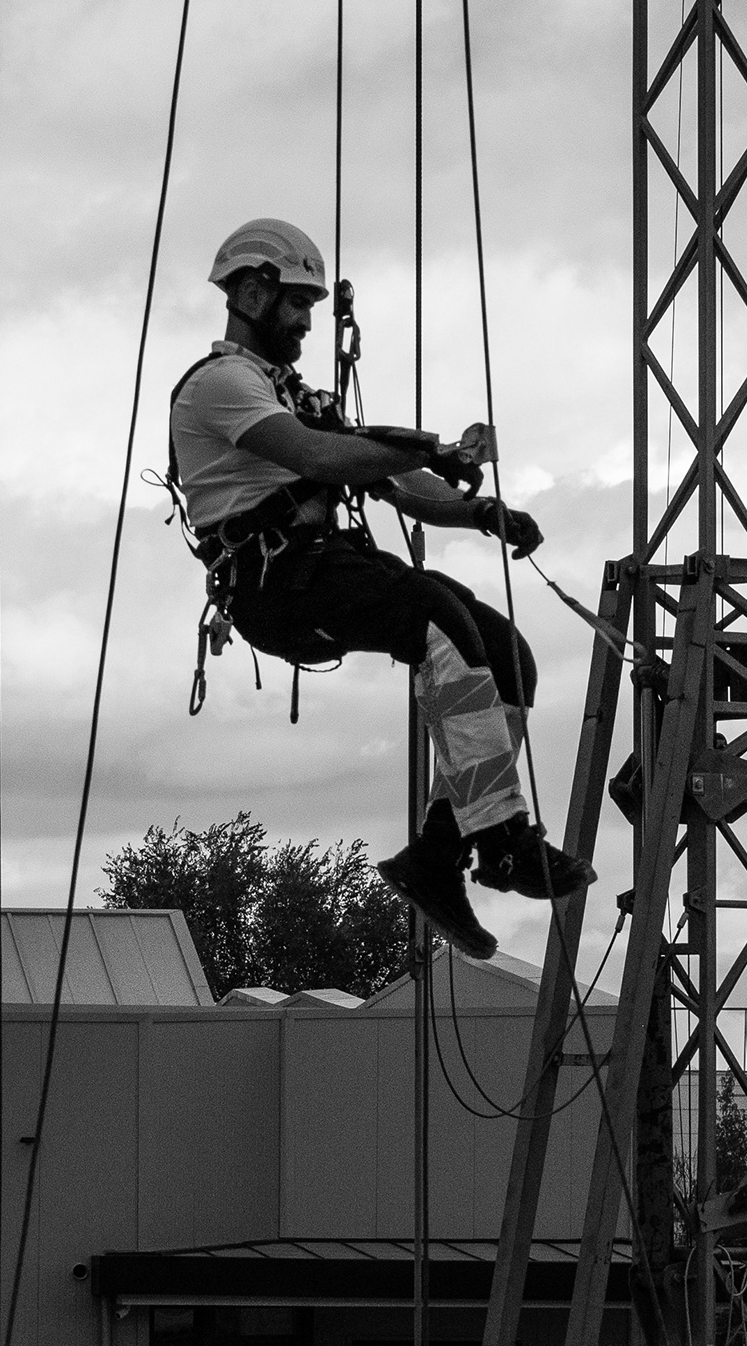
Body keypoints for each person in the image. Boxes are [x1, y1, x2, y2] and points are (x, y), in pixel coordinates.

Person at [170, 216, 589, 959]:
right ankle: (503, 839)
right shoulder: (221, 386)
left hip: (331, 569)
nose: (305, 321)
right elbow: (317, 456)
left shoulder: (291, 390)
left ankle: (439, 852)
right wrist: (416, 444)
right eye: (295, 303)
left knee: (505, 654)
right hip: (278, 587)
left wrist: (475, 509)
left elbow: (393, 480)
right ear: (252, 293)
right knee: (434, 614)